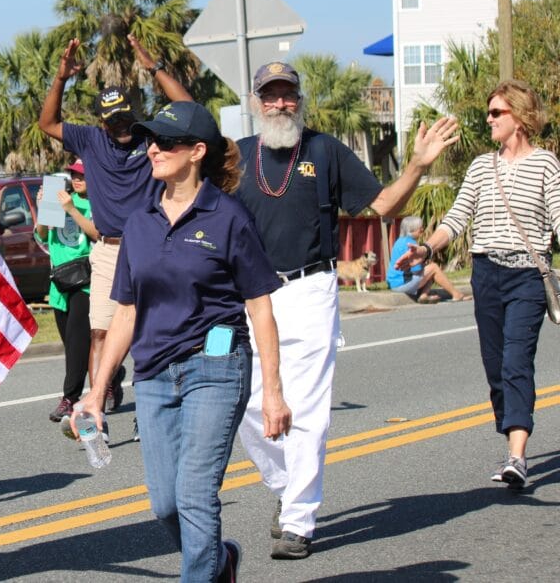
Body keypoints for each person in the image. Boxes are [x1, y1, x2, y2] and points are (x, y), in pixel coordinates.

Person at [234, 61, 459, 560]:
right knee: (249, 406)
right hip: (252, 296)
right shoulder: (237, 157)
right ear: (255, 102)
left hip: (311, 289)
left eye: (287, 94)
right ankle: (288, 484)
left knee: (307, 409)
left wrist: (418, 165)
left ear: (299, 99)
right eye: (269, 95)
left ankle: (297, 522)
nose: (279, 103)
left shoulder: (324, 150)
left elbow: (382, 205)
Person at [77, 101, 292, 583]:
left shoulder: (228, 216)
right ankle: (219, 563)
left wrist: (273, 392)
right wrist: (95, 393)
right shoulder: (139, 222)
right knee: (165, 504)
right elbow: (126, 311)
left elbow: (259, 306)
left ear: (196, 152)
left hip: (215, 368)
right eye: (150, 140)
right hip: (154, 374)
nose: (152, 148)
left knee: (196, 495)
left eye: (166, 141)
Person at [395, 79, 560, 490]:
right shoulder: (482, 166)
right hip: (486, 274)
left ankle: (517, 457)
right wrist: (426, 251)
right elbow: (456, 218)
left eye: (496, 113)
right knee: (495, 367)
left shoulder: (545, 164)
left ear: (519, 117)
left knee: (515, 361)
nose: (488, 119)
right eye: (488, 112)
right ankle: (511, 434)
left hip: (526, 276)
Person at [38, 35, 192, 416]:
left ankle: (151, 410)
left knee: (151, 332)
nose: (122, 125)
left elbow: (188, 108)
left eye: (126, 117)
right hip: (106, 250)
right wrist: (61, 78)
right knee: (100, 333)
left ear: (133, 112)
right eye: (114, 121)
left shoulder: (151, 136)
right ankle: (95, 409)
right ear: (102, 122)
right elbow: (48, 122)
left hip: (150, 245)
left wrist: (153, 66)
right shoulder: (90, 140)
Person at [34, 159, 99, 423]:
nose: (77, 179)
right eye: (73, 174)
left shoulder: (97, 203)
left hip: (86, 282)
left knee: (76, 345)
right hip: (59, 282)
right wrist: (43, 210)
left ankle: (69, 399)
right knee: (73, 344)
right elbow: (41, 236)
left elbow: (97, 234)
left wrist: (71, 210)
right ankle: (112, 377)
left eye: (82, 175)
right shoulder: (59, 197)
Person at [387, 215, 469, 303]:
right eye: (420, 228)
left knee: (430, 270)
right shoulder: (410, 244)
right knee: (433, 268)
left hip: (394, 283)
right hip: (402, 284)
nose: (422, 230)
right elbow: (416, 269)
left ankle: (424, 295)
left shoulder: (399, 241)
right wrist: (425, 264)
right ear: (411, 230)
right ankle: (456, 294)